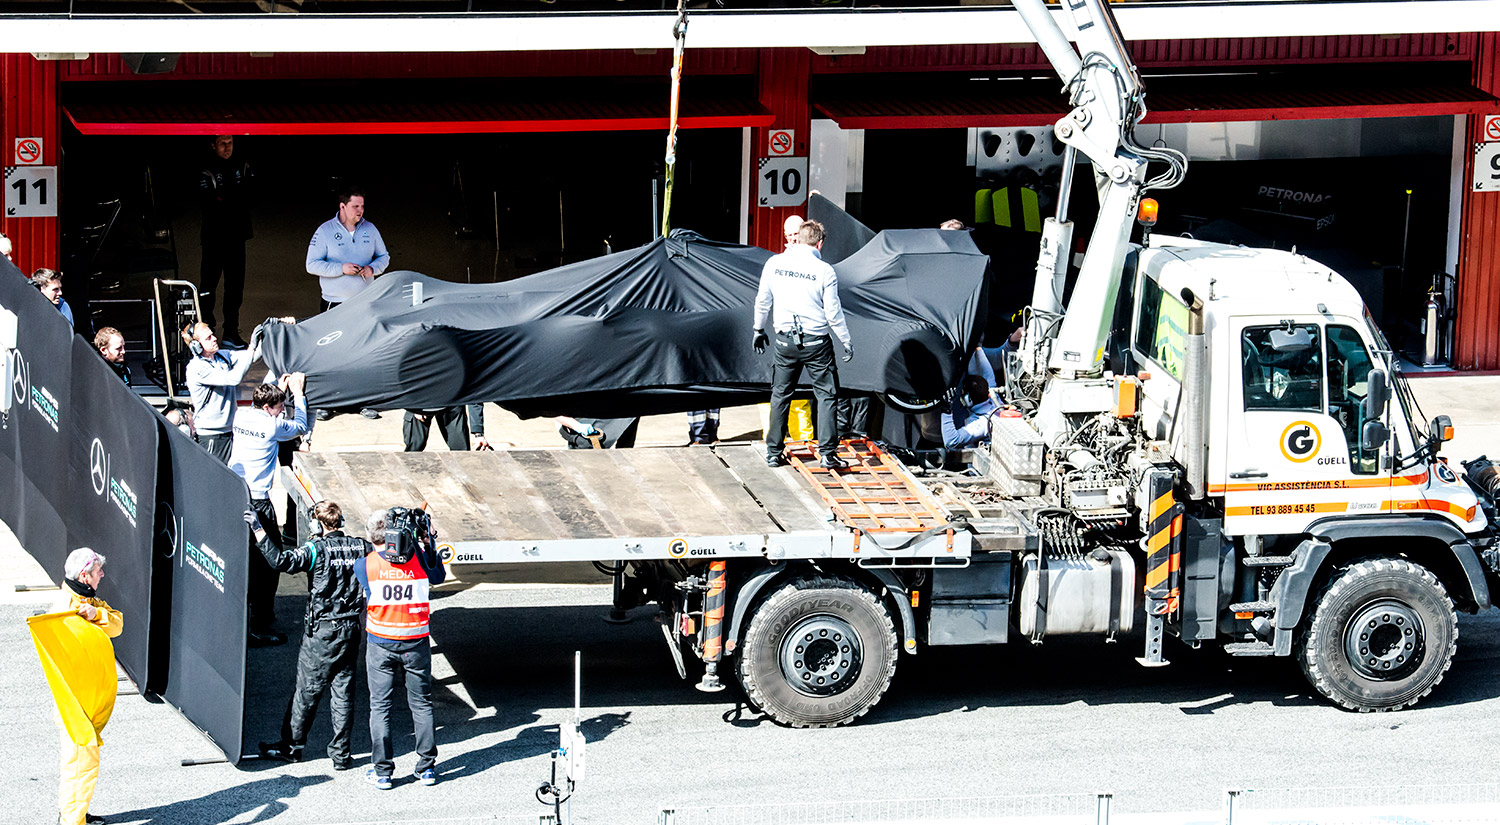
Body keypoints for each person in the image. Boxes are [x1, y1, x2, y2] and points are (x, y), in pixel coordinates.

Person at [252, 500, 371, 770]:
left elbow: (280, 561)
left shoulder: (315, 550)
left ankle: (291, 747)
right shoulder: (361, 546)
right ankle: (341, 754)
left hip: (322, 633)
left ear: (319, 525)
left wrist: (259, 530)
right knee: (343, 692)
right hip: (351, 630)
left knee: (307, 692)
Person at [356, 506, 446, 790]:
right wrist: (428, 541)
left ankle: (383, 772)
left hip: (380, 641)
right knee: (421, 704)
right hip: (415, 641)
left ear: (373, 536)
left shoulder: (366, 564)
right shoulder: (419, 559)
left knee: (380, 706)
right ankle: (426, 768)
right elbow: (439, 576)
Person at [752, 219, 853, 470]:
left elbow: (763, 300)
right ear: (819, 242)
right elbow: (833, 312)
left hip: (785, 341)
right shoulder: (825, 271)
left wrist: (758, 329)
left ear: (796, 238)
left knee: (780, 395)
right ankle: (828, 454)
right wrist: (846, 340)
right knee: (827, 396)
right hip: (817, 342)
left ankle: (774, 452)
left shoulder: (774, 263)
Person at [230, 374, 311, 647]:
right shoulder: (272, 426)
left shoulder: (241, 416)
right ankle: (259, 624)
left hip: (236, 495)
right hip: (259, 503)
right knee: (269, 563)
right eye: (279, 407)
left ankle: (245, 618)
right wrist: (298, 394)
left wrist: (279, 387)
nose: (281, 411)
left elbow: (266, 400)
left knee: (246, 561)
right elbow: (300, 425)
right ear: (268, 408)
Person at [51, 547, 122, 825]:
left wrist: (97, 615)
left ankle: (73, 812)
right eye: (98, 572)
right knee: (82, 763)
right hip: (76, 702)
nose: (102, 574)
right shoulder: (66, 610)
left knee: (78, 761)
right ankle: (72, 820)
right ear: (84, 575)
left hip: (84, 699)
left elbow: (117, 624)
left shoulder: (85, 599)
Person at [305, 187, 388, 421]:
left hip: (365, 303)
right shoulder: (325, 231)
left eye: (362, 206)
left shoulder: (370, 229)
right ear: (342, 207)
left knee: (364, 352)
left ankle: (363, 401)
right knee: (331, 353)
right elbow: (311, 265)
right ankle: (326, 402)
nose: (360, 211)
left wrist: (374, 269)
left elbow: (384, 257)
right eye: (355, 206)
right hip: (334, 304)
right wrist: (340, 269)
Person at [199, 134, 254, 348]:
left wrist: (230, 199)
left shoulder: (242, 165)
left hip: (237, 238)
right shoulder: (206, 170)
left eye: (230, 143)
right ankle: (206, 332)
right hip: (214, 239)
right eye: (222, 143)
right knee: (208, 287)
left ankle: (231, 332)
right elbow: (210, 203)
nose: (227, 147)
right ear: (213, 145)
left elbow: (251, 196)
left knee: (235, 287)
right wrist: (232, 200)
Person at [181, 321, 256, 464]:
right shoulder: (197, 368)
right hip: (212, 436)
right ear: (196, 345)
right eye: (208, 338)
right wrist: (252, 346)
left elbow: (250, 357)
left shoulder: (222, 356)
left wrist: (268, 333)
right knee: (213, 482)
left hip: (230, 431)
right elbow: (233, 379)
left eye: (212, 335)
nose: (214, 338)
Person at [403, 404, 490, 452]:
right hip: (421, 401)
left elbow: (474, 393)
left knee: (461, 452)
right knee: (414, 448)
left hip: (452, 404)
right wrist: (413, 406)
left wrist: (479, 434)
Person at [942, 375, 998, 450]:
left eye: (962, 393)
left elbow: (951, 442)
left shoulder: (982, 423)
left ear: (967, 399)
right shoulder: (995, 401)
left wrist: (946, 410)